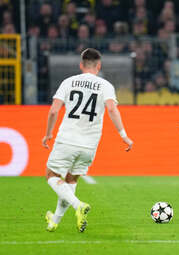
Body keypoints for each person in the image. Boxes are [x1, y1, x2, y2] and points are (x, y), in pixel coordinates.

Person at [42, 48, 133, 232]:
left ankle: (78, 206)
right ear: (98, 66)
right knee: (71, 180)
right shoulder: (106, 85)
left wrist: (48, 133)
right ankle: (55, 222)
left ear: (81, 65)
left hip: (67, 139)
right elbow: (112, 110)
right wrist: (124, 136)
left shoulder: (68, 82)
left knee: (51, 175)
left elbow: (53, 110)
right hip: (89, 145)